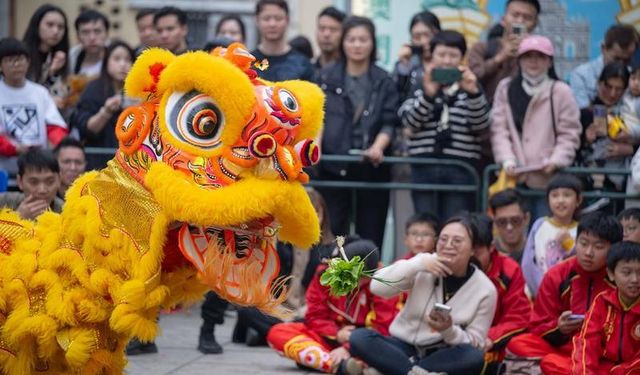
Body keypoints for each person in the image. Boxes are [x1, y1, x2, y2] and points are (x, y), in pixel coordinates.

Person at [349, 215, 498, 375]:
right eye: (443, 239)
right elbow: (377, 287)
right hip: (402, 346)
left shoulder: (485, 289)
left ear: (473, 249)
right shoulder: (422, 264)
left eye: (457, 241)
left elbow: (475, 343)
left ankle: (396, 370)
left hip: (444, 353)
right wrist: (417, 264)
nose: (448, 245)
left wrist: (448, 330)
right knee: (359, 338)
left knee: (474, 357)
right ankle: (416, 372)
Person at [315, 16, 399, 248]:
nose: (357, 45)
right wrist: (316, 146)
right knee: (332, 237)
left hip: (371, 167)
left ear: (372, 43)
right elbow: (317, 116)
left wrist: (378, 147)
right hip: (333, 165)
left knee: (370, 237)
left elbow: (390, 121)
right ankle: (329, 284)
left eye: (363, 39)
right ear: (343, 42)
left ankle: (368, 284)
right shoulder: (326, 77)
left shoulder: (383, 79)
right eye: (351, 39)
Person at [506, 212, 623, 375]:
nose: (588, 252)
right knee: (519, 344)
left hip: (600, 355)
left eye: (598, 247)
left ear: (613, 248)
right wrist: (559, 327)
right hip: (562, 351)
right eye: (583, 243)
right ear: (576, 241)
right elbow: (537, 325)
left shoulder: (621, 278)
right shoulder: (558, 274)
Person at [399, 30, 490, 219]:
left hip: (461, 168)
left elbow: (482, 125)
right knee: (425, 225)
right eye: (441, 55)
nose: (447, 61)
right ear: (431, 56)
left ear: (462, 58)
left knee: (457, 223)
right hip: (423, 167)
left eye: (453, 55)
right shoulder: (419, 83)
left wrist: (473, 93)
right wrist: (428, 95)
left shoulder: (471, 85)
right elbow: (409, 122)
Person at [267, 241, 396, 374]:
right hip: (329, 338)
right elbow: (314, 316)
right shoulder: (325, 275)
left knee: (386, 348)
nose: (349, 282)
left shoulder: (384, 284)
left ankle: (322, 361)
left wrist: (349, 347)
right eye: (345, 274)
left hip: (365, 344)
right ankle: (340, 366)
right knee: (278, 332)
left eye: (358, 278)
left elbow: (383, 328)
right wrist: (337, 334)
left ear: (377, 269)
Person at [491, 34, 582, 217]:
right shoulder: (505, 87)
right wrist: (507, 159)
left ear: (549, 62)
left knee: (544, 232)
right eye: (528, 56)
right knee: (514, 229)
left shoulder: (561, 90)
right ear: (519, 60)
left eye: (540, 56)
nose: (534, 61)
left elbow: (570, 132)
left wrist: (557, 160)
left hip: (548, 179)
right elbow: (499, 128)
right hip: (514, 177)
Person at [469, 213, 531, 374]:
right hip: (455, 338)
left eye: (476, 252)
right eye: (465, 250)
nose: (469, 257)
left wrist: (488, 338)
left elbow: (519, 317)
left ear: (491, 247)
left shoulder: (509, 270)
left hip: (493, 341)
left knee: (522, 345)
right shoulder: (450, 265)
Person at [0, 37, 68, 175]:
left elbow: (55, 126)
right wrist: (14, 149)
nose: (16, 64)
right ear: (1, 65)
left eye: (20, 59)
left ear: (28, 62)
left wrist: (57, 143)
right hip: (5, 171)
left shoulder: (40, 92)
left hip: (38, 170)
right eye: (10, 60)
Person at [571, 241, 640, 374]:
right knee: (551, 362)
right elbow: (587, 341)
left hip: (632, 369)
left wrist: (621, 371)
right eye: (627, 273)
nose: (635, 280)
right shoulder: (602, 301)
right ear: (611, 274)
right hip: (605, 367)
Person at [70, 40, 134, 170]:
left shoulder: (138, 90)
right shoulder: (94, 88)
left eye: (128, 60)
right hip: (99, 161)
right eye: (116, 59)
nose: (123, 64)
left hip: (132, 161)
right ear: (106, 61)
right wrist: (106, 111)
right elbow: (86, 128)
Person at [521, 174, 582, 296]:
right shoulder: (539, 225)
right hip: (540, 294)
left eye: (567, 195)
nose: (560, 200)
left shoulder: (582, 228)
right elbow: (528, 263)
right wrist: (542, 290)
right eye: (555, 195)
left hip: (571, 296)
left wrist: (569, 245)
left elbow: (583, 262)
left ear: (578, 200)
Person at [576, 62, 633, 193]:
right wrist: (586, 140)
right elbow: (573, 150)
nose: (612, 94)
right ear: (599, 83)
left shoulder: (631, 114)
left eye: (619, 89)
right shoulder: (585, 113)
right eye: (608, 86)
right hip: (589, 187)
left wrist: (630, 149)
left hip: (624, 186)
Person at [468, 0, 540, 103]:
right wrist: (500, 57)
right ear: (503, 19)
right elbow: (472, 78)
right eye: (515, 15)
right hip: (485, 113)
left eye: (527, 18)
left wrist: (529, 52)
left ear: (535, 24)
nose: (520, 21)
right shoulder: (481, 48)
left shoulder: (539, 53)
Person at [570, 24, 638, 108]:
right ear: (603, 48)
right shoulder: (581, 75)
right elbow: (583, 111)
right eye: (616, 59)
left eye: (627, 60)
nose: (621, 65)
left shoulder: (634, 78)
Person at [252, 0, 314, 81]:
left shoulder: (302, 64)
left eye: (278, 18)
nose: (272, 24)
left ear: (287, 20)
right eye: (266, 19)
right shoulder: (248, 62)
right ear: (257, 20)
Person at [22, 4, 70, 109]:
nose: (55, 31)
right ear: (37, 25)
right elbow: (24, 93)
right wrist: (51, 72)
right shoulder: (22, 55)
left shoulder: (63, 56)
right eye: (50, 25)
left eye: (60, 27)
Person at [0, 148, 63, 219]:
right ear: (20, 181)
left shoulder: (66, 211)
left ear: (59, 179)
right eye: (34, 182)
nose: (42, 190)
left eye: (50, 182)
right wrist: (18, 218)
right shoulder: (3, 202)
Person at [393, 10, 441, 102]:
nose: (423, 41)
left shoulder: (447, 62)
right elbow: (395, 96)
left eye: (428, 35)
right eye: (417, 37)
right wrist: (404, 66)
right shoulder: (404, 64)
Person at [489, 189, 530, 263]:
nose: (509, 227)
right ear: (494, 222)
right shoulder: (488, 254)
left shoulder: (538, 253)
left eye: (515, 221)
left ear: (526, 218)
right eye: (502, 222)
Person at [69, 9, 109, 77]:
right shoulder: (71, 59)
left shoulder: (117, 58)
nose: (92, 38)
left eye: (97, 31)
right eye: (85, 32)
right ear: (78, 36)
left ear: (106, 34)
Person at [314, 6, 345, 71]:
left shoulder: (349, 71)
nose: (326, 34)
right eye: (322, 29)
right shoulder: (308, 69)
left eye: (333, 29)